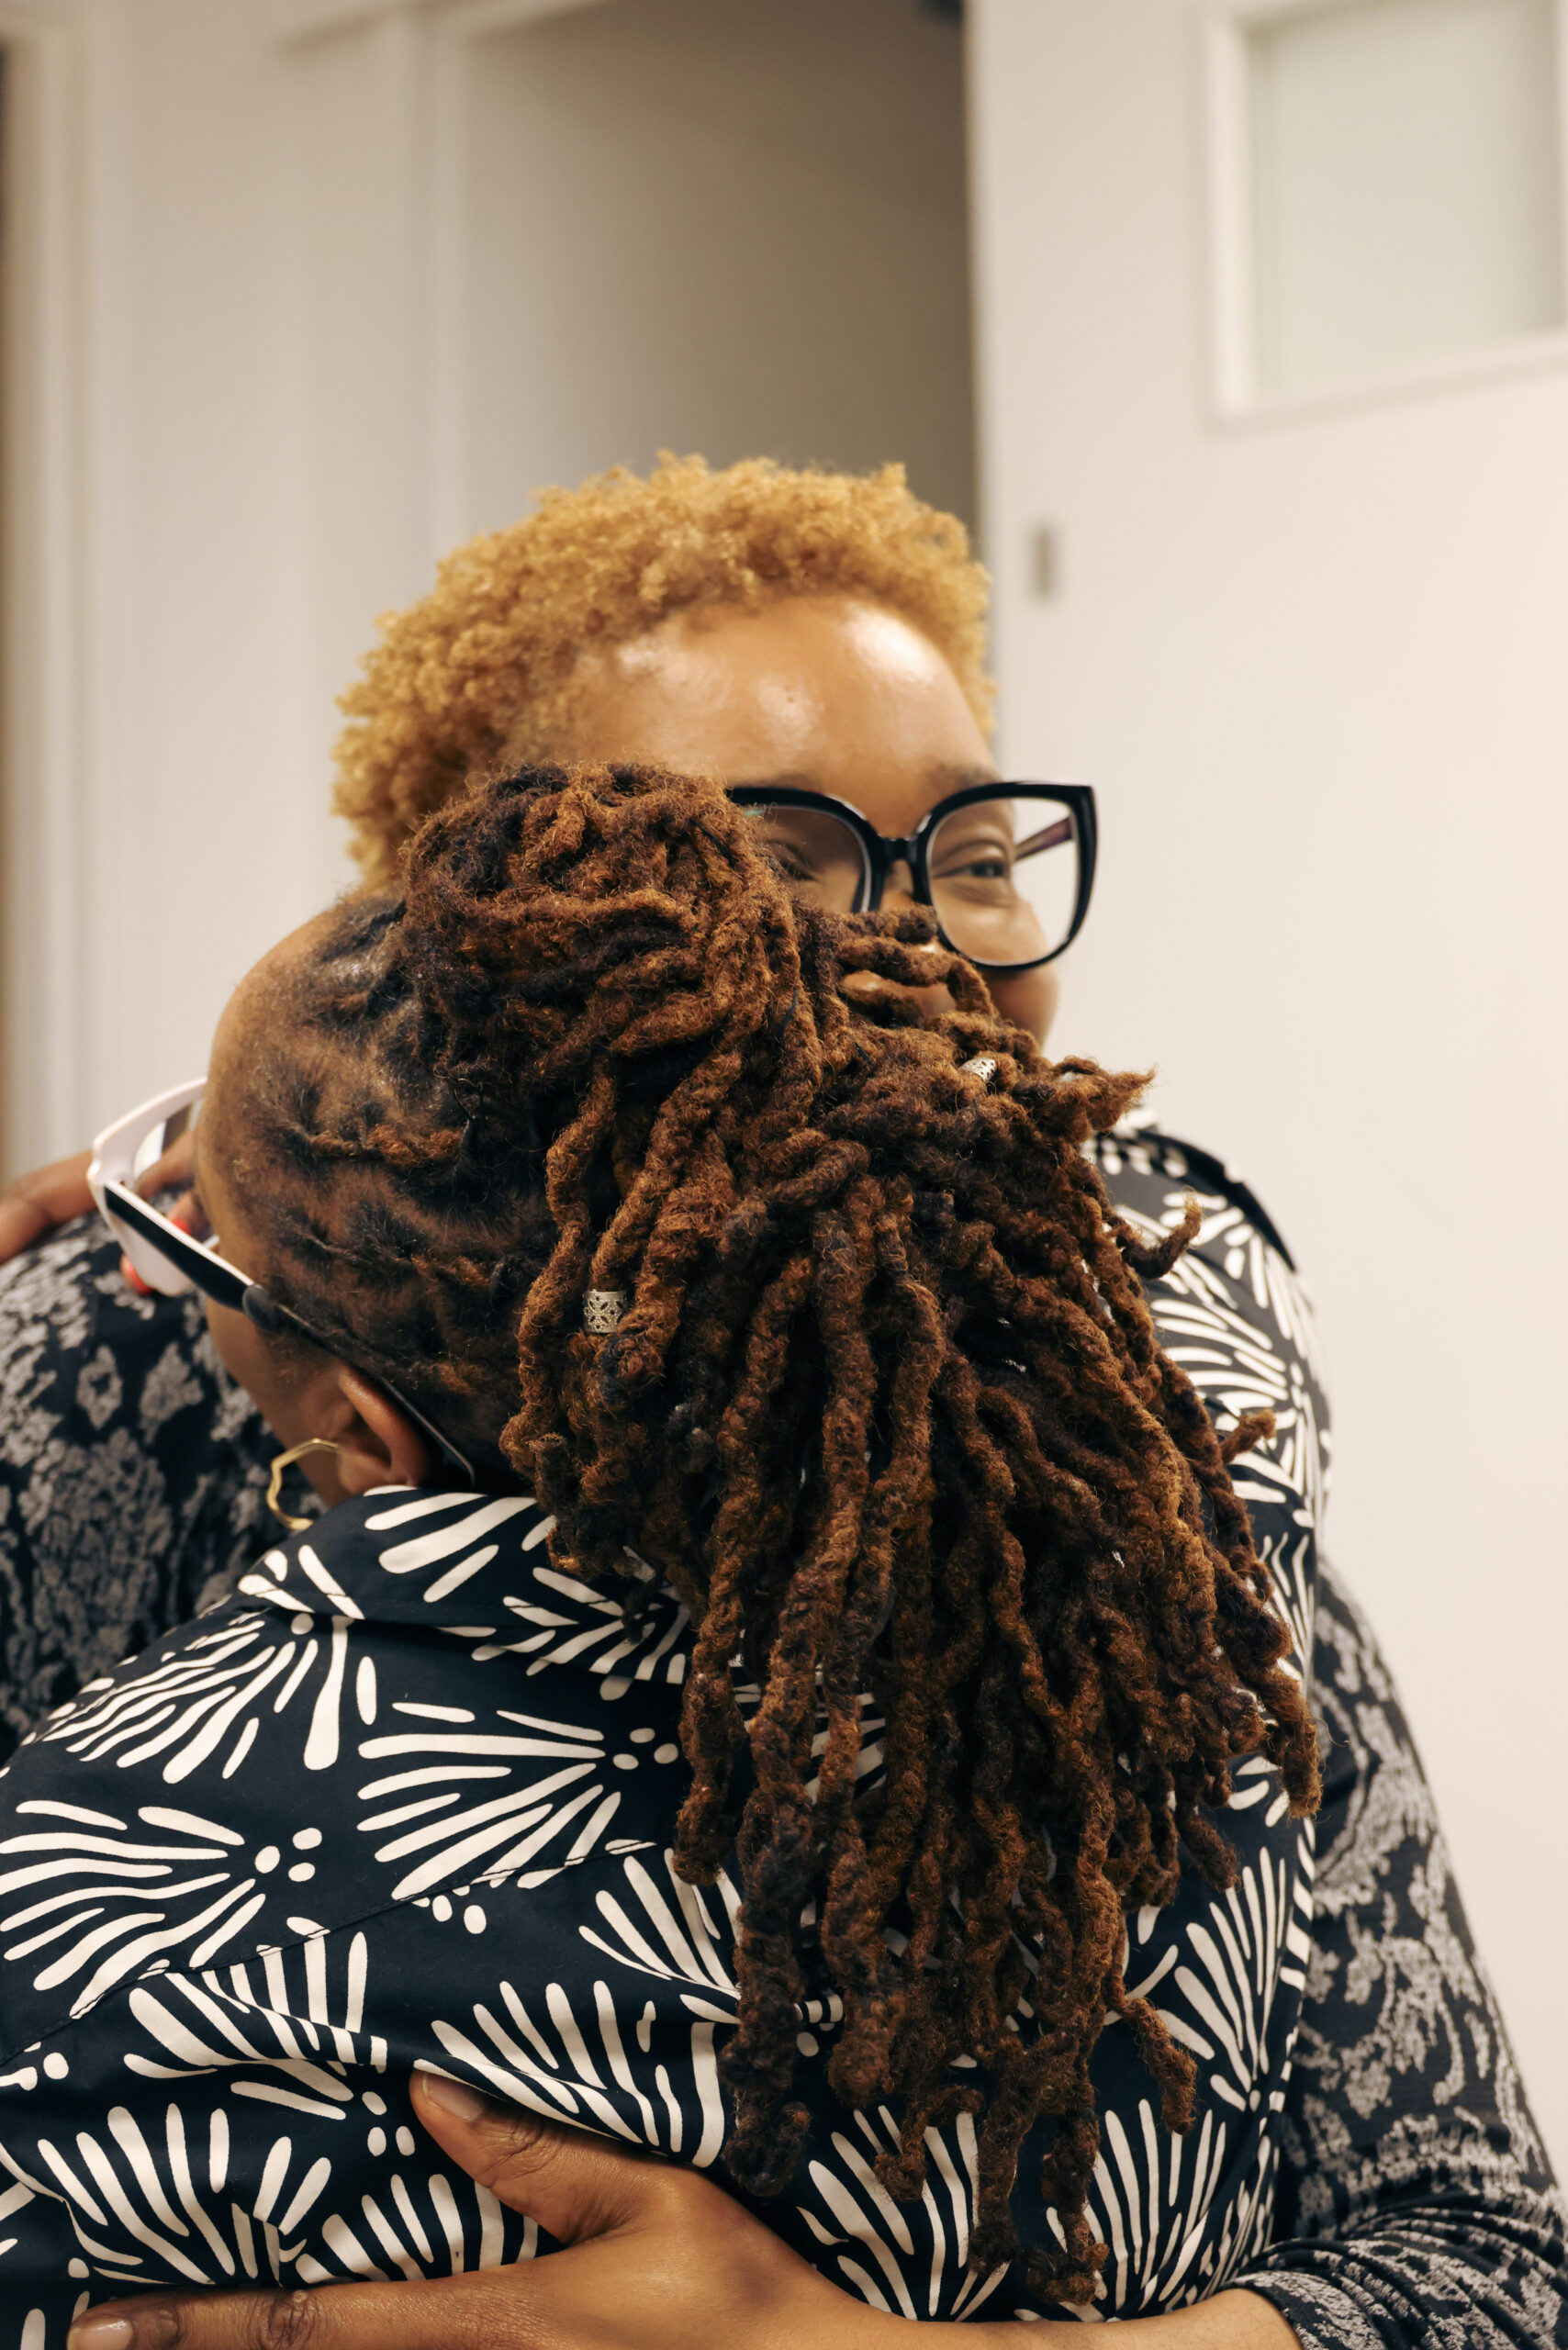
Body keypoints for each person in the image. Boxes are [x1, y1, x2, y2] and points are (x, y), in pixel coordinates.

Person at [0, 459, 1559, 2346]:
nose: (919, 943)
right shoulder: (135, 1369)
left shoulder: (1122, 1438)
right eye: (765, 860)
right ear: (470, 934)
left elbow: (1471, 2256)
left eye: (974, 849)